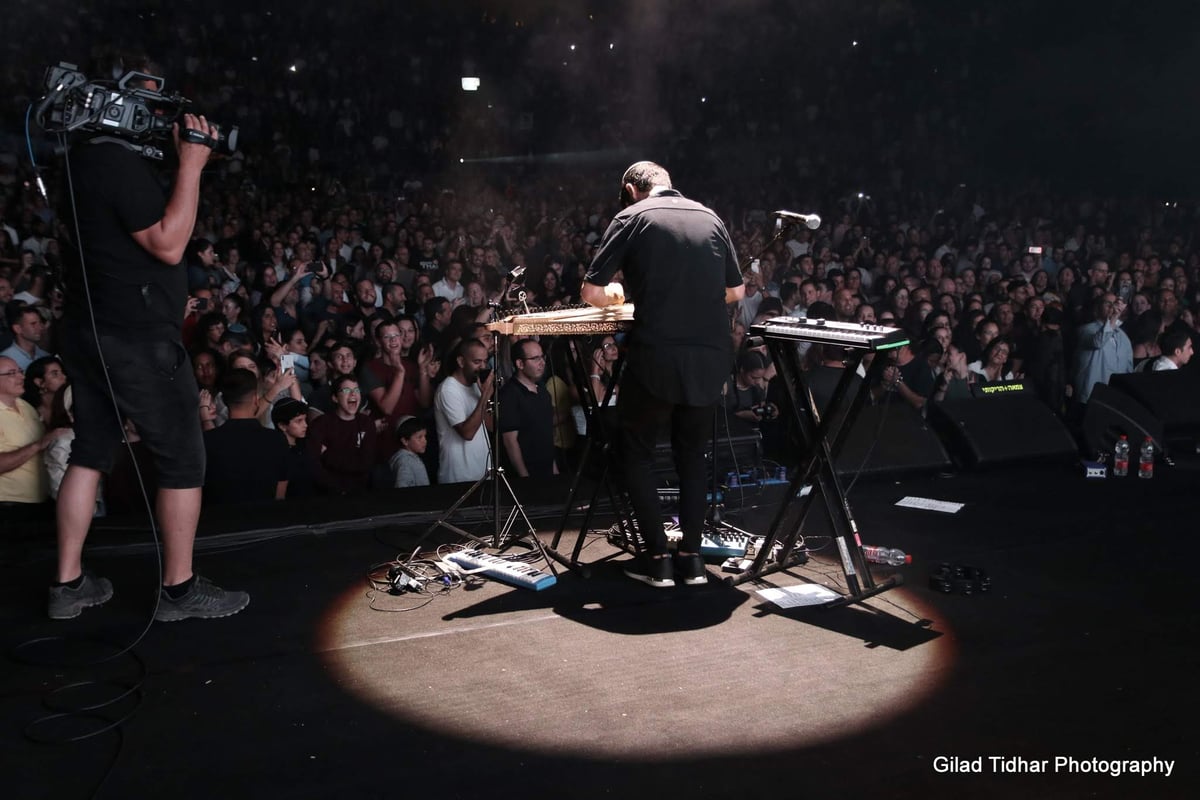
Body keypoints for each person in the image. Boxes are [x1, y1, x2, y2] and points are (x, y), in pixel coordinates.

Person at [50, 57, 248, 622]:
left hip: (90, 331)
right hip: (134, 341)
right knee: (184, 459)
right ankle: (179, 592)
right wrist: (193, 162)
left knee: (91, 451)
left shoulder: (80, 161)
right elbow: (166, 243)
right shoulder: (116, 163)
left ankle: (68, 586)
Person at [581, 161, 744, 588]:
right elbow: (736, 291)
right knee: (693, 455)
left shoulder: (631, 217)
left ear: (632, 189)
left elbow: (591, 291)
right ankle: (691, 560)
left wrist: (619, 297)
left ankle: (657, 560)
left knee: (636, 452)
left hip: (658, 356)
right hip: (709, 358)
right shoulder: (710, 217)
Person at [202, 369, 290, 505]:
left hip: (221, 521)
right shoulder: (276, 440)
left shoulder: (207, 441)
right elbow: (280, 495)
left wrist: (205, 420)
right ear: (255, 398)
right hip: (267, 520)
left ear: (224, 401)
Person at [1, 355, 68, 512]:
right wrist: (38, 444)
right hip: (9, 504)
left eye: (20, 371)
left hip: (41, 501)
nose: (21, 377)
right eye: (12, 373)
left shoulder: (25, 406)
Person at [434, 338, 494, 483]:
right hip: (459, 477)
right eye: (477, 362)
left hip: (483, 472)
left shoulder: (476, 385)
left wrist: (485, 396)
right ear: (461, 362)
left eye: (485, 361)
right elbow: (467, 433)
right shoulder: (448, 389)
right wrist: (484, 396)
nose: (483, 367)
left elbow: (491, 426)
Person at [498, 338, 557, 478]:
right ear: (520, 363)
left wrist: (554, 470)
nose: (542, 363)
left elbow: (546, 434)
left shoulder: (542, 390)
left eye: (542, 357)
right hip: (526, 475)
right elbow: (510, 441)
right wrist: (524, 477)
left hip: (547, 471)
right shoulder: (509, 394)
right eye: (535, 358)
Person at [390, 415, 431, 488]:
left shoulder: (410, 457)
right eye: (419, 437)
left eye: (425, 436)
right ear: (405, 441)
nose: (425, 441)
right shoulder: (405, 462)